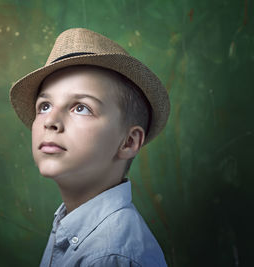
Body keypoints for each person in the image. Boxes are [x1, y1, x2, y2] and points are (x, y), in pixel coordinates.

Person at [9, 28, 169, 267]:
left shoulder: (111, 256)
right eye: (44, 106)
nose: (50, 121)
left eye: (81, 107)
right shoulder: (69, 224)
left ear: (128, 142)